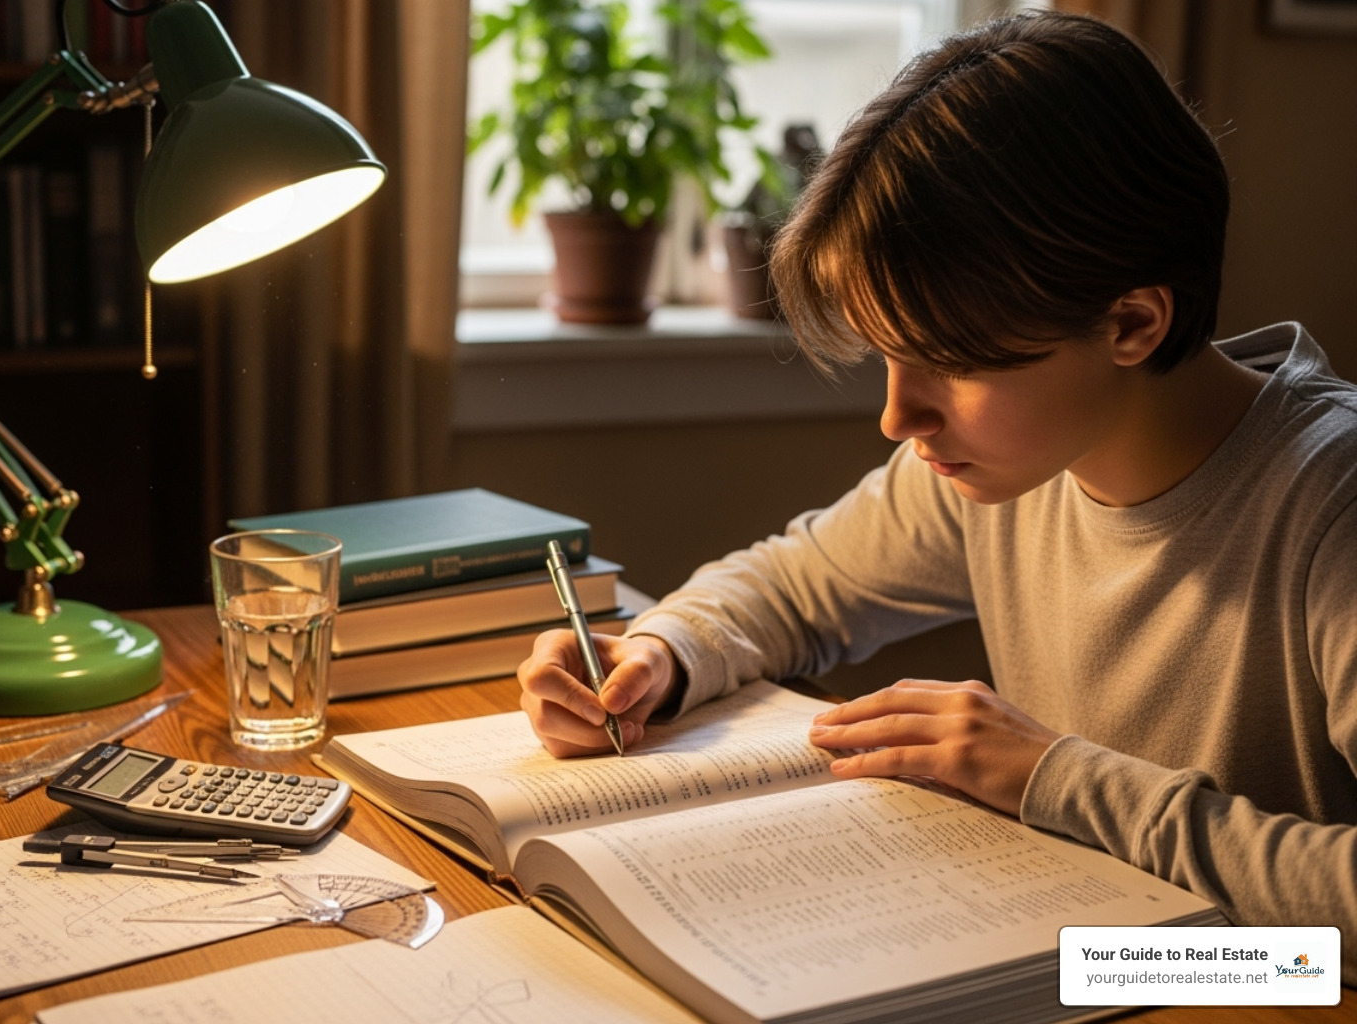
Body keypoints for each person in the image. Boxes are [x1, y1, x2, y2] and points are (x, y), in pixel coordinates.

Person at [516, 9, 1357, 981]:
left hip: (1268, 984)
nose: (897, 416)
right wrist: (660, 651)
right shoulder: (1006, 469)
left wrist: (1054, 779)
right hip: (1078, 961)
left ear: (1131, 321)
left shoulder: (1330, 505)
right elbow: (794, 587)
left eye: (950, 361)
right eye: (885, 354)